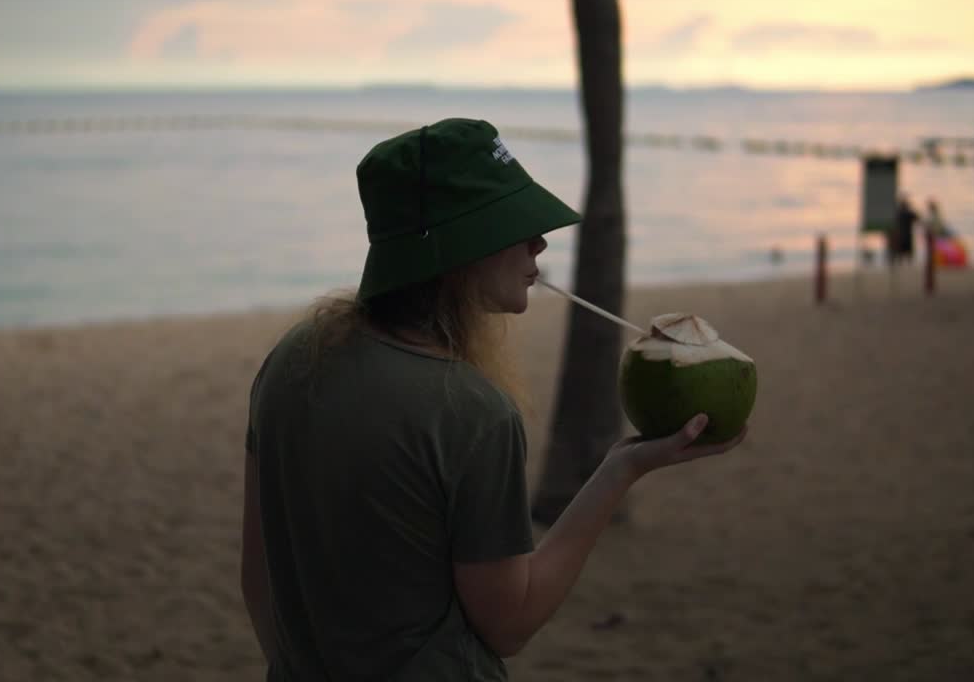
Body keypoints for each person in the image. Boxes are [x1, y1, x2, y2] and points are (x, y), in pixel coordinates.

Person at [240, 118, 747, 681]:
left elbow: (258, 580)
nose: (540, 242)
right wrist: (620, 469)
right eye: (516, 226)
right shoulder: (471, 413)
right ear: (461, 247)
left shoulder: (291, 360)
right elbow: (510, 622)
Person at [888, 194, 921, 266]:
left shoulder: (898, 212)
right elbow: (917, 217)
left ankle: (901, 265)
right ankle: (906, 266)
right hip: (905, 236)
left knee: (900, 254)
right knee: (906, 254)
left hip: (900, 235)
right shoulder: (906, 212)